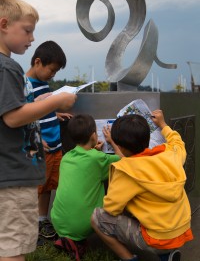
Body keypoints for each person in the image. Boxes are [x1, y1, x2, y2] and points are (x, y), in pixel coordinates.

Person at [0, 0, 77, 261]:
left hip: (6, 173)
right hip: (12, 176)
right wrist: (57, 99)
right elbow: (12, 117)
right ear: (4, 24)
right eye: (28, 31)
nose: (32, 39)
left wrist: (41, 100)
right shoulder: (7, 68)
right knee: (13, 250)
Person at [91, 110, 193, 261]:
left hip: (156, 240)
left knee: (97, 217)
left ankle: (130, 259)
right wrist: (163, 124)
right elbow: (177, 142)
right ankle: (167, 256)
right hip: (180, 230)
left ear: (120, 146)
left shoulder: (125, 172)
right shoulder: (171, 155)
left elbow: (112, 208)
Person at [50, 114, 123, 261]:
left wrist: (94, 150)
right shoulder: (97, 159)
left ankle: (70, 240)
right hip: (85, 223)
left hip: (57, 220)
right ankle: (76, 241)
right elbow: (122, 159)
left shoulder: (67, 157)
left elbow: (86, 163)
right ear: (93, 135)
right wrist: (112, 141)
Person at [26, 40, 73, 242]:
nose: (53, 75)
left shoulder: (44, 84)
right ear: (38, 62)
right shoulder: (24, 85)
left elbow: (42, 109)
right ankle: (29, 224)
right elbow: (23, 116)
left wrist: (56, 113)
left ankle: (42, 219)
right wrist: (36, 139)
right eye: (52, 70)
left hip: (56, 145)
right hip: (41, 146)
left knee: (48, 187)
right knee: (36, 187)